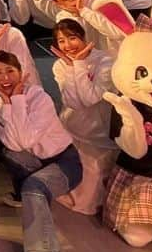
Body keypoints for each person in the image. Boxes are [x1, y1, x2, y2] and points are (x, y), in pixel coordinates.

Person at [0, 52, 82, 252]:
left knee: (34, 187)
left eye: (10, 71)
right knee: (10, 153)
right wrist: (8, 103)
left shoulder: (39, 97)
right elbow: (15, 145)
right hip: (36, 161)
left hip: (64, 162)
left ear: (21, 72)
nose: (5, 78)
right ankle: (30, 196)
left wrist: (14, 99)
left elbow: (26, 139)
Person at [49, 19, 117, 214]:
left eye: (72, 38)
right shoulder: (60, 65)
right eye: (61, 41)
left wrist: (77, 64)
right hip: (72, 124)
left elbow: (90, 99)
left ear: (83, 37)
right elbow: (73, 102)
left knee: (96, 169)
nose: (68, 45)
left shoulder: (105, 61)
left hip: (100, 129)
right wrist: (72, 67)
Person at [31, 0, 127, 54]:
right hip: (95, 65)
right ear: (55, 2)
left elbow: (118, 33)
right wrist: (77, 15)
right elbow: (80, 46)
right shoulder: (63, 17)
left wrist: (83, 11)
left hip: (123, 59)